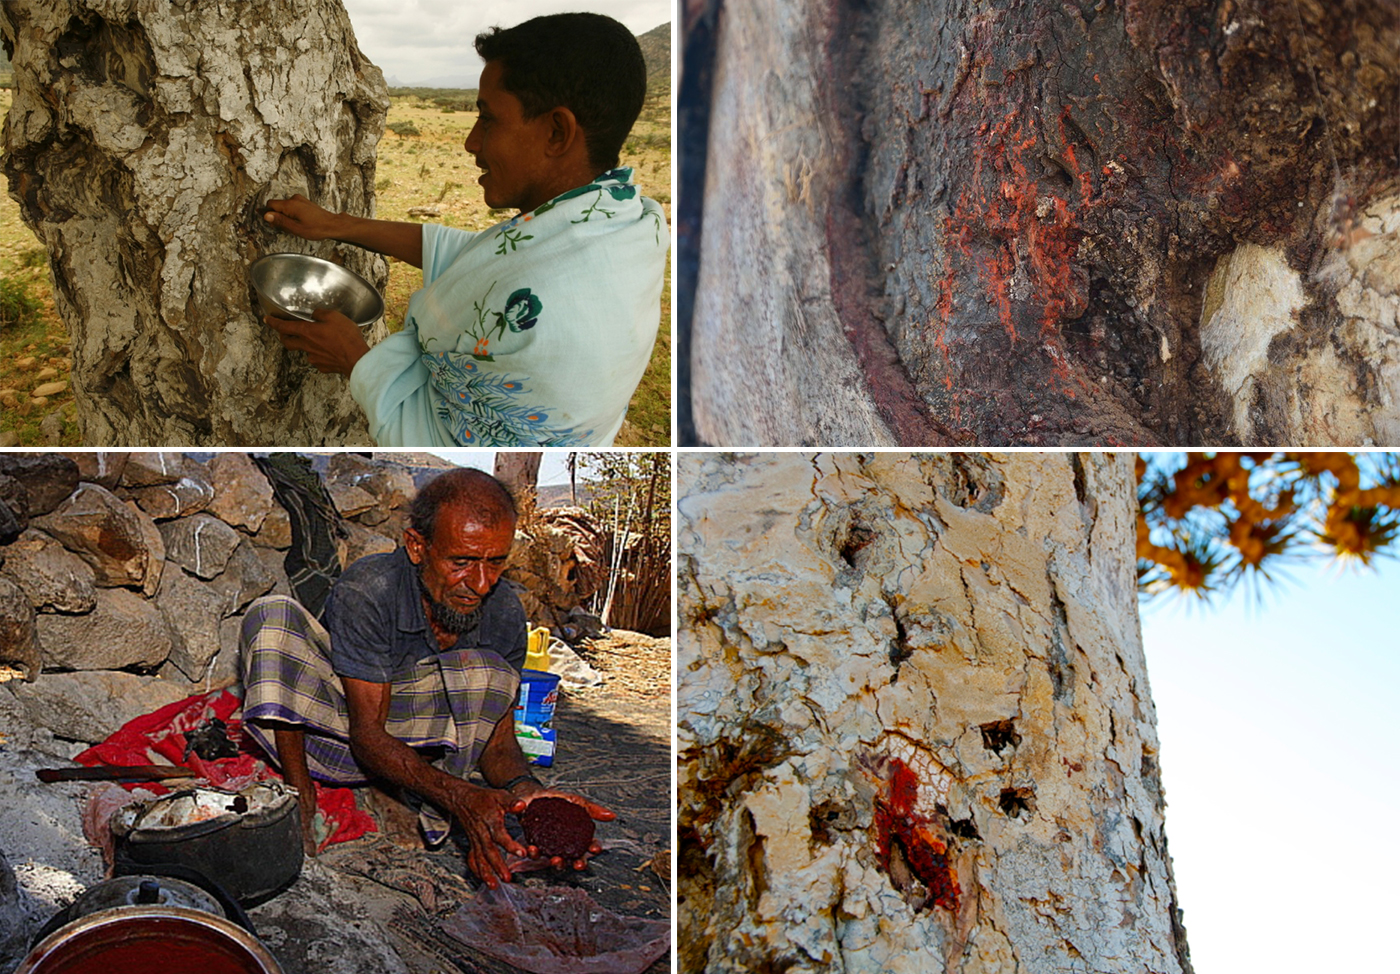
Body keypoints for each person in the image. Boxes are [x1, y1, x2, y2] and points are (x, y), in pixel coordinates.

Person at [260, 12, 667, 447]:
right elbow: (483, 261)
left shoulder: (550, 323)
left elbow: (436, 445)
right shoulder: (625, 220)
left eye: (488, 120)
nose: (471, 142)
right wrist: (336, 225)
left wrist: (354, 358)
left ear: (556, 132)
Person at [239, 467, 612, 887]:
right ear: (417, 546)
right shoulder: (369, 589)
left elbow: (499, 741)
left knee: (489, 674)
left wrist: (527, 791)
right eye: (462, 562)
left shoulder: (504, 610)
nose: (481, 583)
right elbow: (366, 734)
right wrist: (458, 794)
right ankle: (300, 793)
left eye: (496, 562)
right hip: (335, 734)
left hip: (413, 742)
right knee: (271, 617)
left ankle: (404, 794)